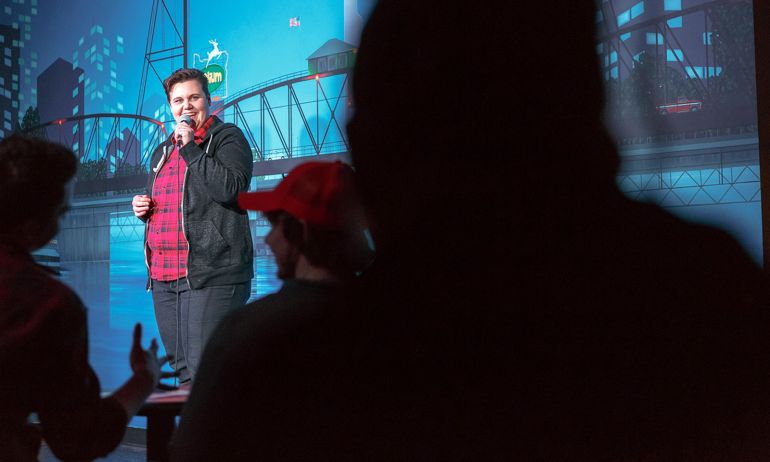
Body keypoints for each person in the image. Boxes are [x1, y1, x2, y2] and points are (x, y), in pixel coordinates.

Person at [170, 160, 372, 460]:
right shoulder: (391, 327)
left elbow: (192, 448)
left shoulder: (246, 332)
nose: (268, 239)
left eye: (275, 224)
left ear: (300, 231)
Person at [0, 135, 170, 461]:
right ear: (37, 223)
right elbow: (78, 438)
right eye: (62, 213)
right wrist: (144, 380)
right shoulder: (47, 303)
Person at [132, 68, 254, 384]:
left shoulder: (227, 138)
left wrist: (191, 149)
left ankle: (223, 433)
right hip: (164, 275)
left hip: (212, 272)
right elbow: (173, 202)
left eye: (193, 97)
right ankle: (192, 434)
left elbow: (231, 190)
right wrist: (144, 208)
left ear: (207, 100)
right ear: (170, 106)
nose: (186, 106)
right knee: (184, 372)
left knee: (206, 373)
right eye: (178, 100)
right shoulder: (162, 151)